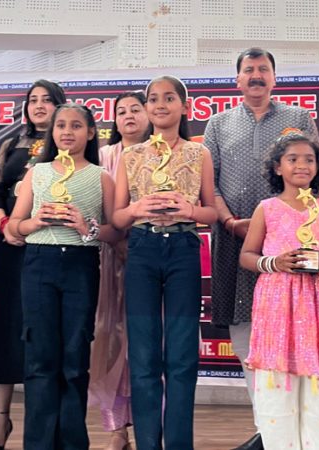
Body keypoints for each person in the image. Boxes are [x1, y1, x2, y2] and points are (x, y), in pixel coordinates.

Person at [204, 47, 318, 450]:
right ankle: (266, 429)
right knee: (245, 338)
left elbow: (313, 177)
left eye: (263, 69)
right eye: (248, 70)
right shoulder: (218, 124)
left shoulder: (297, 119)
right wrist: (232, 221)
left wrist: (288, 227)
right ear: (238, 80)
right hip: (234, 242)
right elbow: (210, 184)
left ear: (274, 77)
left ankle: (294, 430)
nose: (256, 75)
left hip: (288, 248)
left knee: (292, 333)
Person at [113, 75, 217, 450]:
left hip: (183, 250)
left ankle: (177, 444)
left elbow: (211, 213)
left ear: (184, 107)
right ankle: (146, 443)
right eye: (152, 99)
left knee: (182, 353)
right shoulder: (131, 155)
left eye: (169, 98)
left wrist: (191, 209)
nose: (159, 105)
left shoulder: (198, 153)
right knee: (142, 354)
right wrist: (137, 208)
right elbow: (116, 218)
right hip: (141, 250)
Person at [8, 103, 119, 450]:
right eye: (60, 126)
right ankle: (38, 444)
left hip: (81, 266)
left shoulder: (101, 177)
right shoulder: (36, 174)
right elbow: (14, 225)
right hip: (39, 264)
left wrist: (88, 228)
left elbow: (116, 232)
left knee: (74, 360)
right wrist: (35, 221)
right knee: (40, 359)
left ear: (90, 133)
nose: (67, 132)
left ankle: (73, 443)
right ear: (51, 132)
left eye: (76, 125)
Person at [239, 133, 319, 450]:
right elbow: (247, 256)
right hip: (279, 305)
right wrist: (275, 262)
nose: (302, 165)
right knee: (278, 391)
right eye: (293, 159)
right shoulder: (267, 208)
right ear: (278, 167)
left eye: (309, 159)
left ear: (318, 166)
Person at [0, 79, 66, 450]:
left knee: (44, 333)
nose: (39, 106)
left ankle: (41, 421)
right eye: (33, 100)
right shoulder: (9, 144)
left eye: (48, 100)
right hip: (10, 244)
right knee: (5, 328)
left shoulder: (68, 145)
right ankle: (0, 420)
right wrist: (6, 224)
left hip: (50, 245)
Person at [89, 90, 150, 450]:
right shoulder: (102, 158)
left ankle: (147, 427)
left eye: (135, 109)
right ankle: (116, 431)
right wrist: (115, 241)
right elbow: (95, 209)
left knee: (144, 343)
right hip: (107, 257)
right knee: (110, 342)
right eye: (121, 111)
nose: (128, 116)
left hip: (150, 254)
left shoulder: (160, 153)